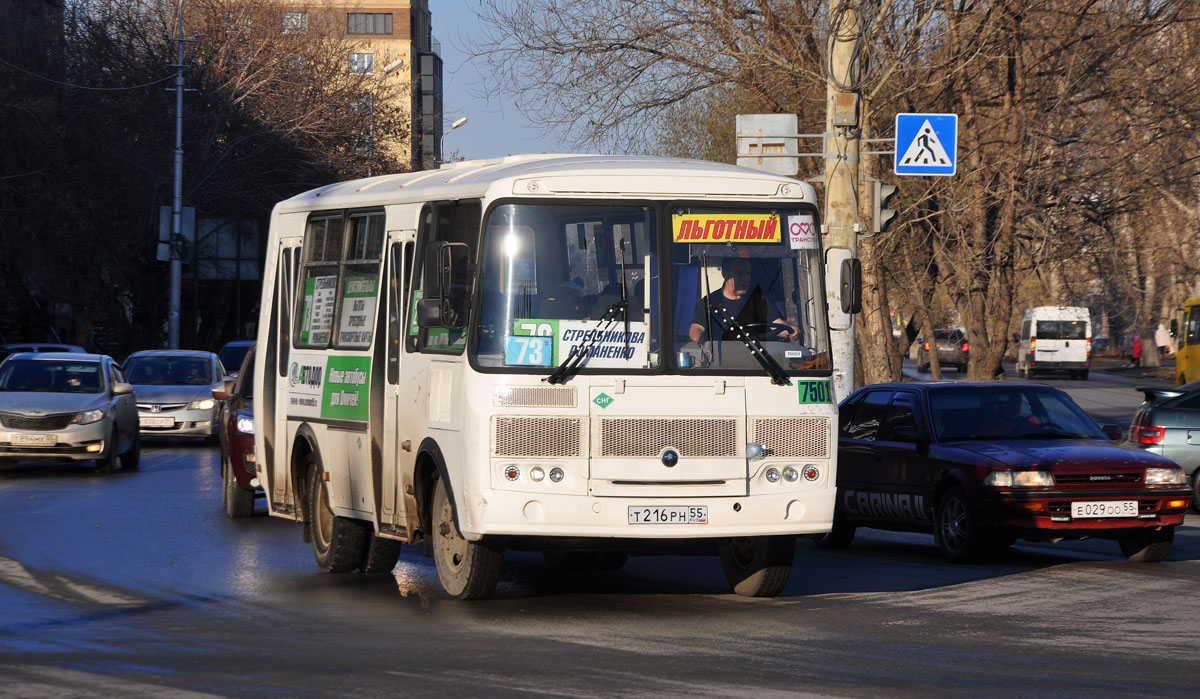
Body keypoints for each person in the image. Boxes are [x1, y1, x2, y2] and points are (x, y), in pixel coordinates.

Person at [688, 257, 799, 344]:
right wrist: (700, 347)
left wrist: (790, 331)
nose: (745, 278)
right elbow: (696, 329)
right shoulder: (709, 302)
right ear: (725, 274)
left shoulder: (758, 299)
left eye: (748, 273)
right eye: (740, 273)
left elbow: (777, 324)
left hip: (758, 362)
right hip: (721, 364)